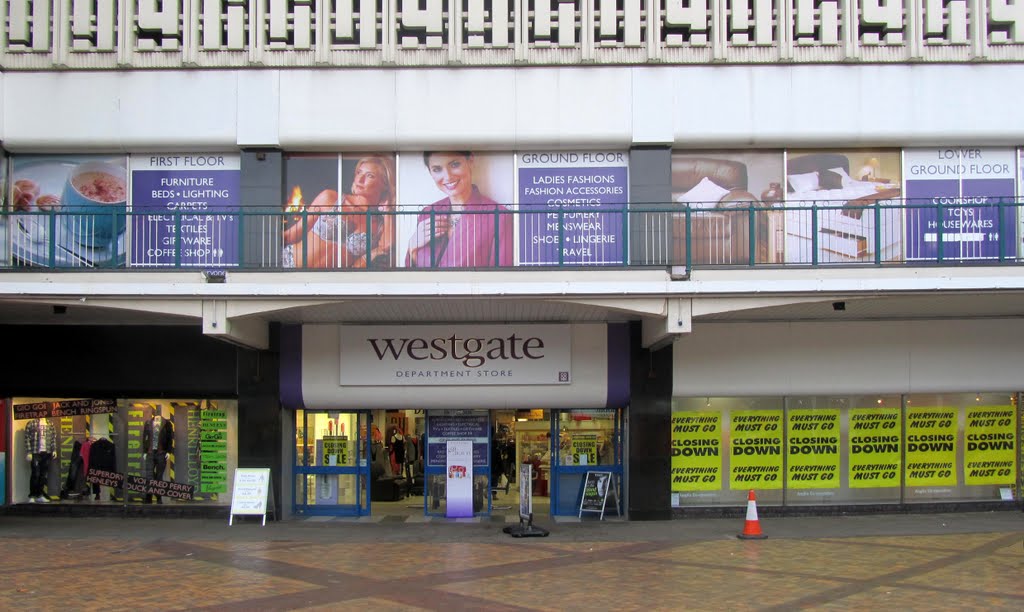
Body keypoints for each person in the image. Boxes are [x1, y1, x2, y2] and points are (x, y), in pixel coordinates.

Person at [283, 156, 396, 268]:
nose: (360, 179)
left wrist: (387, 210)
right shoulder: (330, 198)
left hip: (326, 282)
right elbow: (292, 234)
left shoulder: (379, 225)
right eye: (359, 173)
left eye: (370, 176)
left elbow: (387, 246)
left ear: (385, 185)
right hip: (291, 266)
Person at [406, 151, 513, 267]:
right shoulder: (427, 213)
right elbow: (410, 276)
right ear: (430, 172)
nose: (447, 176)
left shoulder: (499, 217)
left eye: (454, 165)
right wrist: (412, 247)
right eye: (437, 169)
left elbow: (501, 278)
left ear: (470, 160)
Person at [142, 409, 174, 504]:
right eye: (156, 417)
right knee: (149, 476)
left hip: (161, 453)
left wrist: (168, 451)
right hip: (150, 453)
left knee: (159, 476)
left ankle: (158, 497)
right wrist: (145, 451)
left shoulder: (167, 424)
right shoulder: (148, 423)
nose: (157, 418)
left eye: (159, 417)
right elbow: (144, 438)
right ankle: (148, 497)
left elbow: (170, 438)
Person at [25, 417, 57, 503]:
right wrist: (29, 452)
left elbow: (53, 438)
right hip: (35, 452)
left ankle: (39, 495)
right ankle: (32, 495)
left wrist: (54, 450)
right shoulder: (31, 423)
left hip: (46, 452)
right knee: (35, 473)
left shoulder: (50, 424)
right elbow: (27, 438)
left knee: (43, 475)